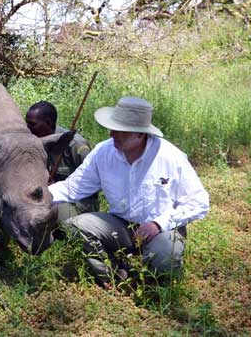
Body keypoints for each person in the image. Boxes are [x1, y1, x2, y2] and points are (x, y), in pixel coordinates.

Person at [49, 96, 209, 285]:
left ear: (140, 134)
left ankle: (148, 284)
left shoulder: (170, 157)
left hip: (162, 229)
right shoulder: (103, 152)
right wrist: (38, 195)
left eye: (120, 131)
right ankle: (112, 278)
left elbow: (199, 202)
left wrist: (158, 224)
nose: (111, 134)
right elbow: (72, 187)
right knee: (75, 225)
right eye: (112, 128)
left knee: (165, 257)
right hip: (121, 224)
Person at [25, 100, 99, 222]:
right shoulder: (35, 141)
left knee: (51, 214)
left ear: (48, 123)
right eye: (26, 124)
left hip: (78, 201)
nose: (28, 129)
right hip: (46, 195)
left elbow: (95, 181)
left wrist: (60, 186)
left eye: (32, 124)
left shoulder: (75, 145)